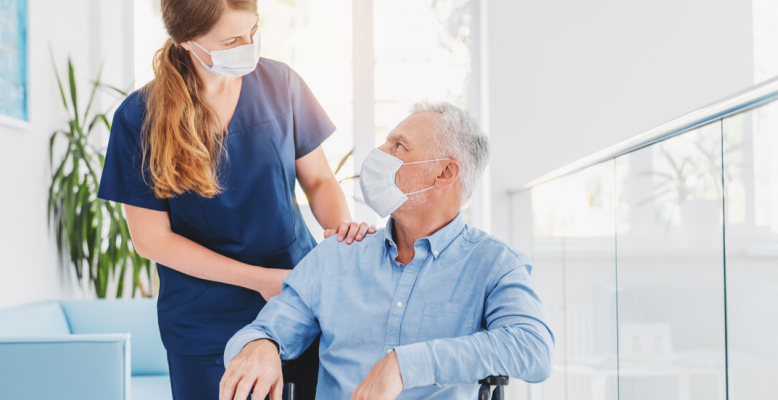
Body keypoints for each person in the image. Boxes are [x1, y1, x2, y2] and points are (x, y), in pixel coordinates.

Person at [97, 1, 373, 399]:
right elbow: (151, 240)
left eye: (253, 31)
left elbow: (320, 180)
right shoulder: (139, 117)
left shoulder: (282, 84)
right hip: (205, 318)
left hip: (295, 301)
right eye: (232, 41)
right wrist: (259, 280)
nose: (249, 46)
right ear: (188, 40)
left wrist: (338, 237)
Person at [220, 102, 555, 400]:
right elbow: (264, 330)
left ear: (445, 172)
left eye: (399, 145)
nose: (380, 152)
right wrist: (259, 346)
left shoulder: (494, 264)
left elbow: (533, 348)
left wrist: (404, 365)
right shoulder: (339, 254)